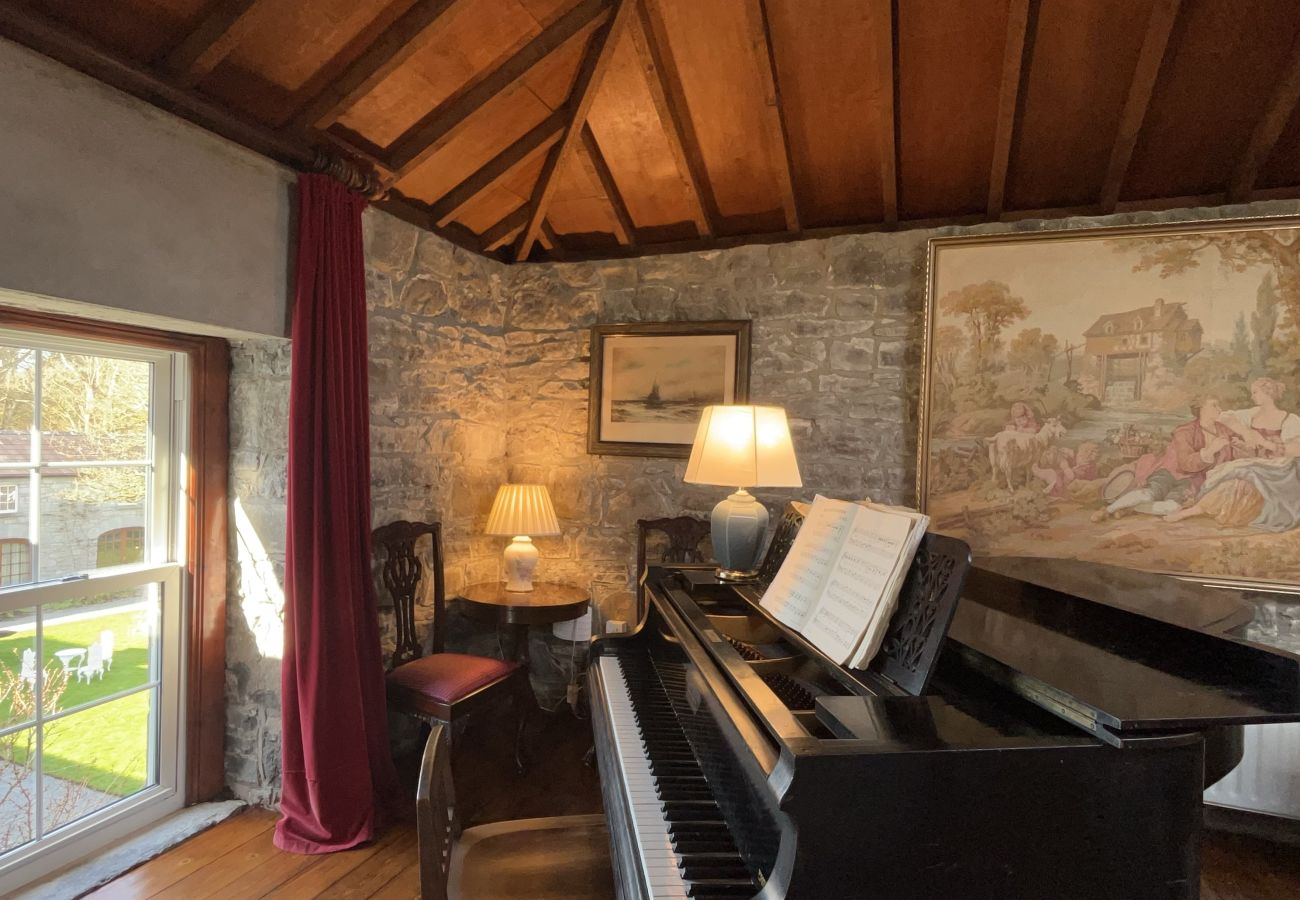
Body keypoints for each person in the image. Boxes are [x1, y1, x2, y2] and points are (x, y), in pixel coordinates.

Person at [1166, 378, 1300, 530]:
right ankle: (1195, 510)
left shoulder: (1289, 419)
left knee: (1242, 471)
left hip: (1281, 469)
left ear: (1267, 393)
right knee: (1238, 476)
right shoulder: (1252, 414)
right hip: (1258, 464)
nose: (1252, 397)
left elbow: (1296, 450)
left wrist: (1264, 443)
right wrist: (1246, 436)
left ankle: (1193, 511)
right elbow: (1222, 417)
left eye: (1255, 392)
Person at [1092, 397, 1235, 521]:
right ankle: (1107, 511)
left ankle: (1130, 508)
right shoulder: (1184, 431)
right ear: (1201, 408)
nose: (1219, 409)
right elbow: (1186, 463)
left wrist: (1241, 444)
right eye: (1214, 405)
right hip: (1171, 472)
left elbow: (1232, 452)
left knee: (1171, 507)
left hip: (1193, 480)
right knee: (1148, 494)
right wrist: (1211, 450)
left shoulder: (1223, 430)